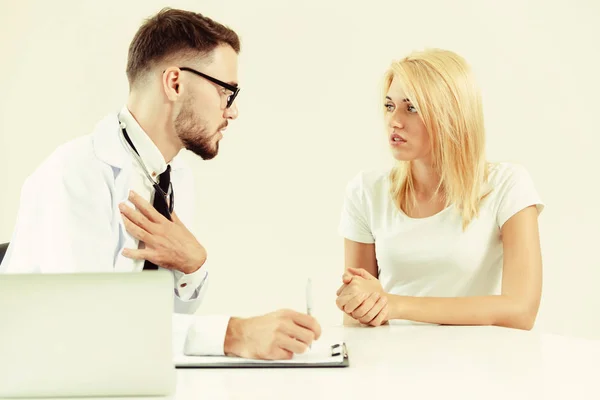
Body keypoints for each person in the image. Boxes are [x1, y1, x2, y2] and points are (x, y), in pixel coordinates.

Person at [0, 7, 320, 360]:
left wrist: (194, 266)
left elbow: (161, 331)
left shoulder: (175, 177)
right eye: (226, 91)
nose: (232, 111)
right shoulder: (74, 173)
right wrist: (234, 334)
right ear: (175, 83)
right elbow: (85, 328)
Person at [335, 48, 544, 330]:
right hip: (391, 365)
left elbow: (520, 310)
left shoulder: (507, 185)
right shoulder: (366, 191)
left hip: (478, 365)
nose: (394, 121)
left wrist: (395, 304)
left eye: (411, 107)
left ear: (451, 115)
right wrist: (359, 304)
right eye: (389, 106)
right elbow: (357, 319)